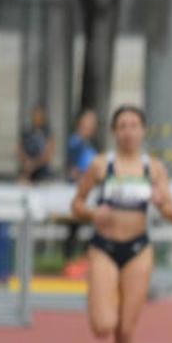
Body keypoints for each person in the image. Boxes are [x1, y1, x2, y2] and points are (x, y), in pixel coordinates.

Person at [70, 105, 172, 343]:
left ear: (143, 131)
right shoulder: (102, 165)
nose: (128, 131)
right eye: (123, 125)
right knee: (104, 326)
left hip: (137, 250)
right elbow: (76, 203)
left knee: (126, 330)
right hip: (104, 246)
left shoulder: (153, 168)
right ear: (115, 132)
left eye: (134, 125)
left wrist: (160, 201)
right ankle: (102, 298)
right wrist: (92, 212)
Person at [63, 108, 100, 262]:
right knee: (74, 225)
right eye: (88, 122)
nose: (92, 126)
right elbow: (73, 169)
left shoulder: (91, 143)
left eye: (93, 123)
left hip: (92, 189)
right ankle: (70, 259)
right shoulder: (75, 143)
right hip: (78, 189)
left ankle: (85, 257)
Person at [17, 104, 55, 184]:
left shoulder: (47, 133)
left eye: (39, 115)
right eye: (35, 115)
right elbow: (20, 149)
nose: (37, 118)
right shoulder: (27, 132)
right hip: (26, 170)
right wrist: (26, 162)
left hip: (42, 172)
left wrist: (34, 164)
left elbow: (48, 153)